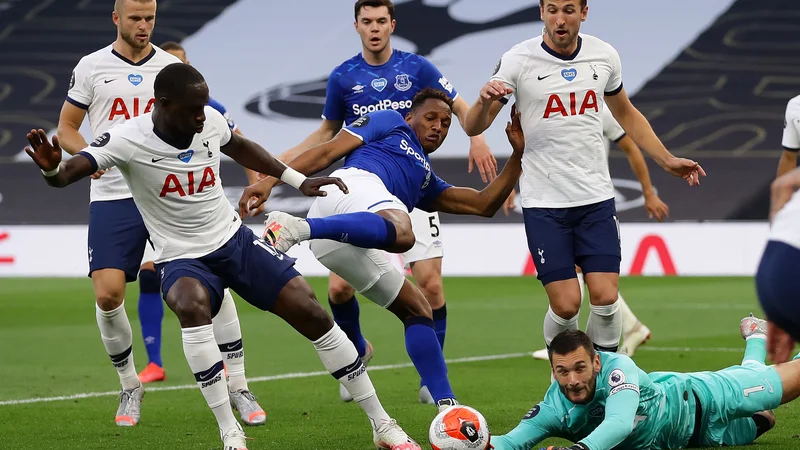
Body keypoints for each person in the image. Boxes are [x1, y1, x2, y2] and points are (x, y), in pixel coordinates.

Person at [28, 62, 422, 450]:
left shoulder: (209, 121)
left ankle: (382, 424)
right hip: (181, 257)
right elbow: (69, 173)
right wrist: (51, 171)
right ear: (163, 105)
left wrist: (298, 181)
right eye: (193, 109)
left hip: (233, 241)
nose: (203, 116)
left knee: (311, 310)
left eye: (204, 107)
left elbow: (244, 148)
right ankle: (230, 432)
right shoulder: (127, 138)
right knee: (190, 305)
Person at [252, 0, 499, 405]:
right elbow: (328, 137)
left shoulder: (418, 68)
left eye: (381, 21)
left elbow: (457, 109)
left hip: (414, 186)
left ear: (392, 24)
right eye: (367, 21)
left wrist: (477, 136)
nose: (375, 28)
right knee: (340, 288)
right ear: (357, 26)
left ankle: (432, 382)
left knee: (431, 287)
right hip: (366, 185)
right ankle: (355, 357)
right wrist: (274, 169)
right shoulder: (344, 77)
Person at [241, 88, 525, 412]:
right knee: (404, 233)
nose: (438, 127)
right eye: (430, 118)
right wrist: (272, 181)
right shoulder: (390, 122)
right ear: (409, 117)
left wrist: (517, 155)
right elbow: (328, 151)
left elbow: (483, 204)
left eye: (446, 123)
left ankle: (448, 406)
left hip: (334, 238)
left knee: (418, 308)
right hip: (344, 190)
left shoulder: (426, 179)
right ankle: (297, 228)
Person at [55, 0, 265, 427]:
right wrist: (96, 157)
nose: (144, 25)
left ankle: (239, 385)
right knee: (108, 294)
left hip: (173, 194)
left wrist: (256, 177)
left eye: (150, 17)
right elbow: (66, 129)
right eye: (135, 17)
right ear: (116, 18)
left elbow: (222, 129)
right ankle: (130, 385)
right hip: (114, 194)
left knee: (214, 285)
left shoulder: (171, 68)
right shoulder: (92, 67)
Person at [463, 0, 705, 357]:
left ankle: (604, 385)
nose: (561, 19)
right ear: (541, 12)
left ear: (584, 12)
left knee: (606, 299)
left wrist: (666, 160)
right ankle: (559, 386)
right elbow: (473, 125)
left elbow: (627, 113)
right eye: (553, 10)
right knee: (566, 305)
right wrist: (483, 103)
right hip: (545, 203)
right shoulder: (517, 60)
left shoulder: (603, 55)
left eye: (569, 10)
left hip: (595, 199)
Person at [490, 318, 800, 450]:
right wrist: (478, 440)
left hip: (705, 398)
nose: (572, 381)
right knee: (765, 419)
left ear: (596, 362)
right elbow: (512, 441)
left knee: (784, 387)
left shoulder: (618, 369)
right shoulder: (554, 408)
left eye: (580, 368)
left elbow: (620, 423)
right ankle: (757, 337)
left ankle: (758, 339)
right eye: (562, 372)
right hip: (696, 438)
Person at [530, 106, 668, 360]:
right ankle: (628, 329)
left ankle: (568, 347)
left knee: (586, 278)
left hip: (591, 203)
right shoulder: (546, 103)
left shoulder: (598, 108)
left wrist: (648, 192)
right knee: (583, 277)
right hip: (555, 205)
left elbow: (630, 146)